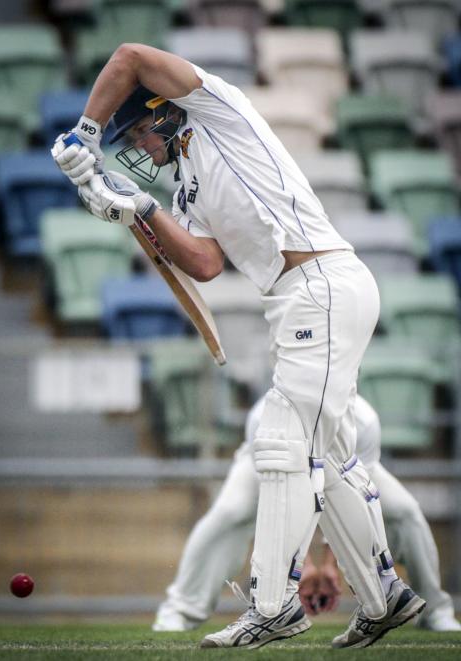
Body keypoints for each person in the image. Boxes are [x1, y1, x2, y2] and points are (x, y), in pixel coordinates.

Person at [51, 43, 425, 649]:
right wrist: (136, 210)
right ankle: (385, 598)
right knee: (325, 457)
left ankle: (273, 604)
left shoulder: (217, 108)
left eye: (140, 135)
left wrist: (85, 135)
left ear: (163, 112)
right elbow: (202, 264)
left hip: (322, 285)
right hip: (301, 299)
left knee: (280, 442)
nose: (143, 151)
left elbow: (128, 56)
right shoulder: (186, 192)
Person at [153, 395, 461, 633]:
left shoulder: (364, 424)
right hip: (266, 463)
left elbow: (354, 499)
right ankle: (180, 610)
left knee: (404, 511)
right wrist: (302, 569)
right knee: (230, 512)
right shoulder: (266, 420)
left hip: (347, 469)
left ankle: (435, 610)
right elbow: (282, 503)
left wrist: (330, 565)